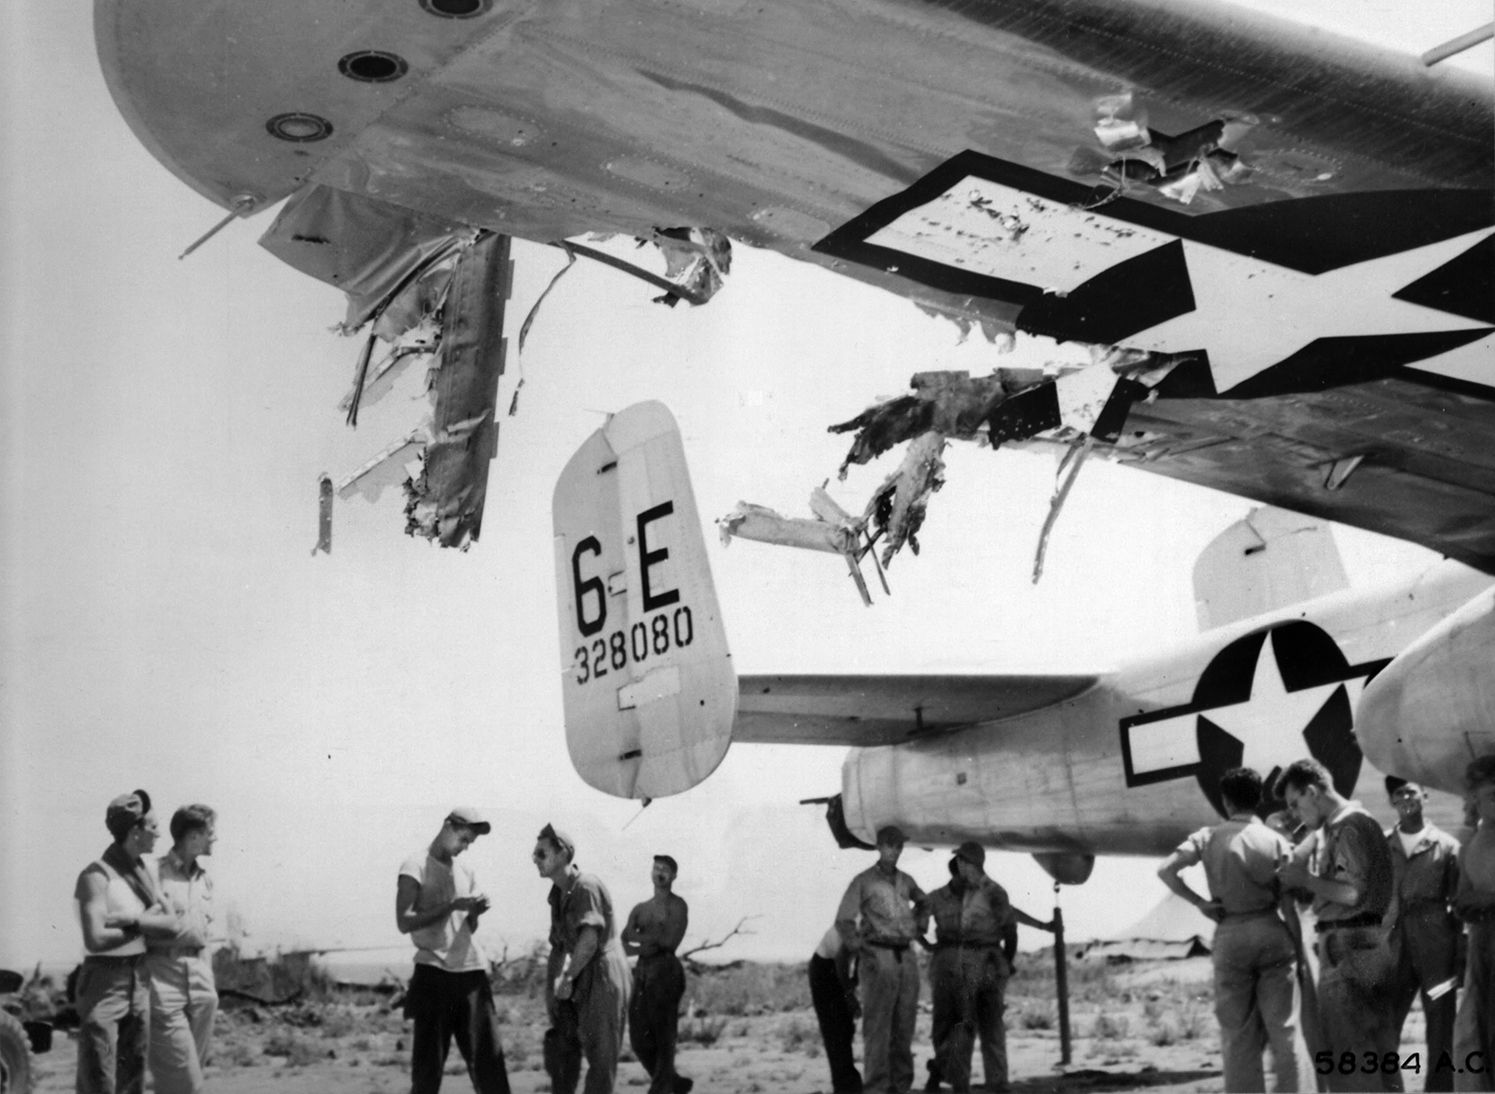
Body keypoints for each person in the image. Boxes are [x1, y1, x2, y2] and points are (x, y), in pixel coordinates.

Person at [1158, 767, 1313, 1092]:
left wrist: (1199, 902)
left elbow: (1167, 869)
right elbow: (1288, 905)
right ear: (1258, 800)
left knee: (1238, 1033)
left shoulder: (1208, 836)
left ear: (1226, 801)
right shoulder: (1276, 841)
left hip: (1231, 933)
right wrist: (1300, 953)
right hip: (1272, 933)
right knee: (1285, 1030)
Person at [1277, 759, 1401, 1093]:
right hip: (1366, 945)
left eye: (1295, 803)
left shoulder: (1348, 826)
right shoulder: (1345, 824)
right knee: (1378, 1053)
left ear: (1312, 791)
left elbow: (1350, 892)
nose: (1294, 813)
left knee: (1350, 1055)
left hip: (1347, 947)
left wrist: (1305, 878)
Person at [395, 808, 510, 1094]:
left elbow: (466, 926)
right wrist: (451, 905)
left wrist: (475, 912)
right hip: (433, 974)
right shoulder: (415, 865)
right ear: (447, 827)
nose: (465, 847)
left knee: (490, 1067)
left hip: (471, 974)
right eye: (463, 839)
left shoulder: (466, 872)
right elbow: (403, 922)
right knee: (427, 1071)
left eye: (470, 842)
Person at [926, 841, 1053, 1094]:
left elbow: (1009, 929)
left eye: (962, 861)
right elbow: (1011, 929)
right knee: (986, 1029)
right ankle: (993, 1085)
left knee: (970, 1028)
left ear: (967, 862)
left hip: (978, 965)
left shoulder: (986, 892)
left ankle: (966, 1084)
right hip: (984, 964)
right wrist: (1006, 962)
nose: (960, 865)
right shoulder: (989, 891)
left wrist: (1005, 961)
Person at [74, 789, 178, 1094]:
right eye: (154, 827)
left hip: (138, 978)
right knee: (100, 1077)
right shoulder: (96, 876)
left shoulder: (145, 875)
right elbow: (95, 939)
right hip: (104, 982)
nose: (159, 834)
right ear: (135, 832)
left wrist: (134, 922)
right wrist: (147, 925)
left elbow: (172, 925)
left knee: (133, 1073)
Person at [535, 823, 632, 1094]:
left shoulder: (585, 887)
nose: (535, 860)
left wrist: (567, 979)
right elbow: (558, 947)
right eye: (535, 854)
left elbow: (589, 941)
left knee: (601, 1057)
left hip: (603, 972)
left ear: (564, 855)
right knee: (562, 1048)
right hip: (581, 970)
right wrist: (552, 991)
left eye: (542, 854)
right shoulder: (557, 894)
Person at [835, 825, 928, 1094]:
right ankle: (876, 1087)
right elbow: (844, 920)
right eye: (889, 844)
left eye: (899, 845)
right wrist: (860, 949)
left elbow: (924, 902)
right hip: (879, 956)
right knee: (877, 1028)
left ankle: (901, 1086)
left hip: (906, 957)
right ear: (878, 847)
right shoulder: (863, 881)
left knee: (904, 1026)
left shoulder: (906, 881)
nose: (894, 850)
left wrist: (920, 926)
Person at [1383, 777, 1462, 1092]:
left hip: (1436, 945)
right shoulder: (1381, 845)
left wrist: (1459, 951)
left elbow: (1457, 905)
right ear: (1392, 801)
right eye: (1398, 793)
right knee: (1386, 1023)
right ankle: (1389, 1087)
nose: (1405, 797)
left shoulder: (1446, 846)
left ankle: (1439, 1089)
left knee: (1441, 1025)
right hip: (1392, 945)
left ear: (1425, 796)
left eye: (1411, 791)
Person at [145, 804, 221, 1094]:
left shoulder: (206, 881)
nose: (215, 839)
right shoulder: (152, 873)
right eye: (210, 833)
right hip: (164, 984)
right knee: (187, 1085)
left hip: (202, 989)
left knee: (182, 1084)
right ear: (192, 836)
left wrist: (210, 984)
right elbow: (137, 928)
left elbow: (206, 936)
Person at [621, 854, 692, 1094]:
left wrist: (639, 940)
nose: (659, 873)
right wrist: (645, 944)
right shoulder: (640, 909)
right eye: (656, 868)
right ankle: (673, 1083)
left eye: (665, 869)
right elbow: (623, 942)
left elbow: (669, 941)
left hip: (666, 973)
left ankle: (661, 1089)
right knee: (639, 1039)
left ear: (673, 876)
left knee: (664, 1036)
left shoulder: (678, 905)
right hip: (641, 973)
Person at [1451, 754, 1495, 1093]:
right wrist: (1465, 903)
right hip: (1482, 944)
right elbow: (1463, 892)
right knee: (1479, 1028)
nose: (1485, 803)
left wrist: (1485, 900)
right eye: (1482, 797)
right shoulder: (1473, 842)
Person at [808, 923, 863, 1094]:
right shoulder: (856, 921)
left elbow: (860, 955)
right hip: (824, 969)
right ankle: (844, 1086)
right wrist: (849, 995)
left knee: (845, 1027)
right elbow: (841, 959)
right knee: (835, 1029)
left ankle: (848, 1082)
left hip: (837, 968)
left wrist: (855, 979)